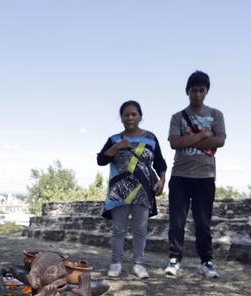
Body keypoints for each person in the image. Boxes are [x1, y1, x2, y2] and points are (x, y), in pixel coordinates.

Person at [165, 71, 226, 279]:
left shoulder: (216, 115)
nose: (197, 94)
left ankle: (206, 261)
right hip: (180, 174)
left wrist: (189, 139)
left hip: (205, 175)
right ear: (187, 91)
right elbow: (175, 142)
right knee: (177, 221)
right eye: (194, 90)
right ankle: (174, 259)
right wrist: (202, 135)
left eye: (201, 90)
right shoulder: (177, 117)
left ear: (206, 91)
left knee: (203, 222)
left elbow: (219, 141)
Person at [97, 100, 167, 279]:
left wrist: (162, 180)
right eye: (126, 114)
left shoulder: (150, 138)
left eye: (133, 114)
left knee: (140, 229)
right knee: (118, 229)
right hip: (119, 191)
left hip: (143, 191)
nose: (129, 117)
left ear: (140, 116)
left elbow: (160, 163)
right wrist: (117, 147)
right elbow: (101, 160)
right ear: (121, 118)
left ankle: (139, 264)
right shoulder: (114, 139)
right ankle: (116, 263)